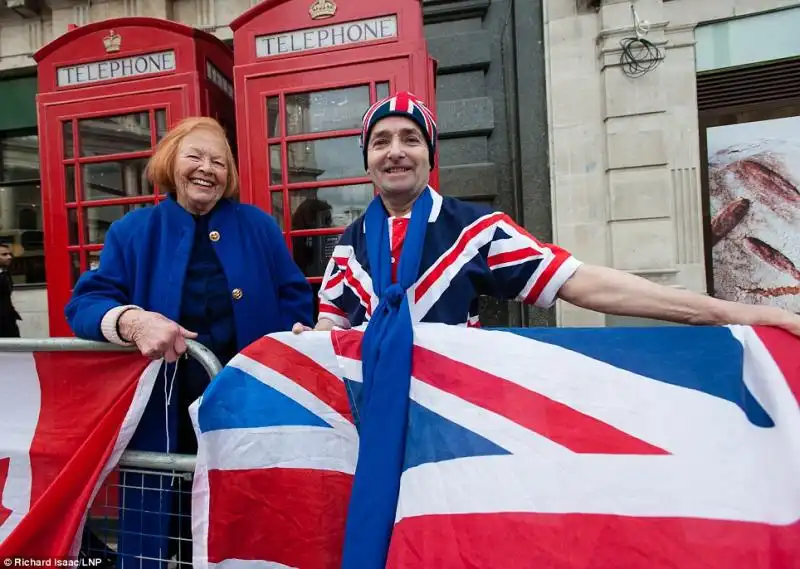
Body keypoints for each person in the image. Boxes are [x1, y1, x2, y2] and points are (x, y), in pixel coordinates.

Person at [291, 91, 800, 569]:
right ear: (367, 160)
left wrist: (729, 312)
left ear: (430, 154)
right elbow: (331, 328)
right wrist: (304, 339)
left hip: (458, 433)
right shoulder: (350, 243)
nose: (395, 152)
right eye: (381, 142)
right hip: (376, 434)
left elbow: (583, 283)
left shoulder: (476, 229)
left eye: (410, 139)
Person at [66, 116, 313, 565]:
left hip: (248, 409)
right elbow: (84, 304)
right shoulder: (132, 232)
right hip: (164, 418)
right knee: (168, 532)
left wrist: (295, 335)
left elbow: (296, 297)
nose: (208, 168)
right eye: (195, 156)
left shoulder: (259, 227)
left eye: (219, 161)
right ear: (169, 161)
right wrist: (132, 322)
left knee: (250, 525)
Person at [0, 243, 21, 338]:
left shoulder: (6, 273)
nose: (9, 257)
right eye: (4, 255)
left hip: (8, 320)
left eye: (10, 254)